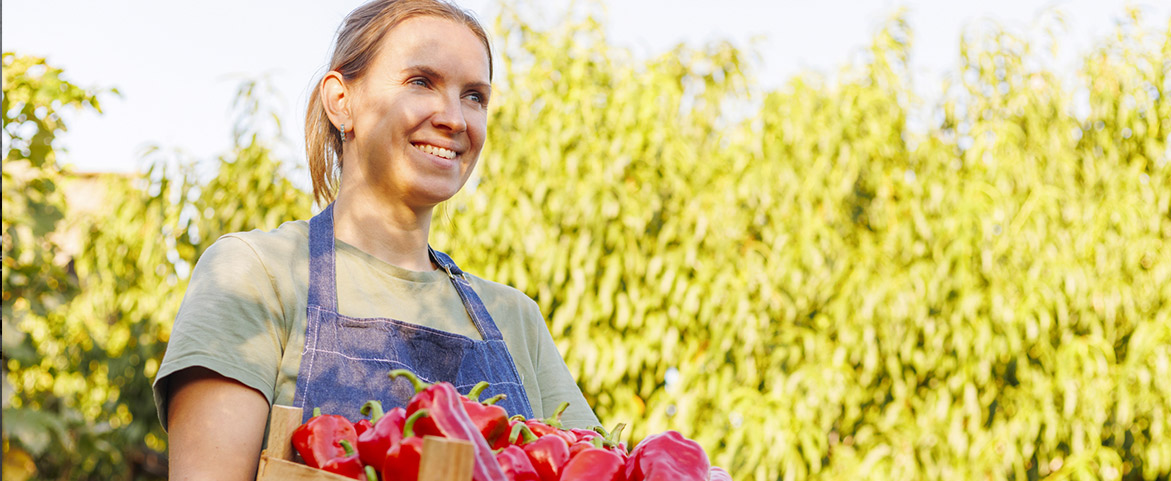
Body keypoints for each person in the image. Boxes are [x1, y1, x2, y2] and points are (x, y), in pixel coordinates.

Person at [153, 1, 599, 478]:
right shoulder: (258, 275)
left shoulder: (517, 321)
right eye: (421, 81)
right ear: (341, 100)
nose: (455, 118)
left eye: (474, 96)